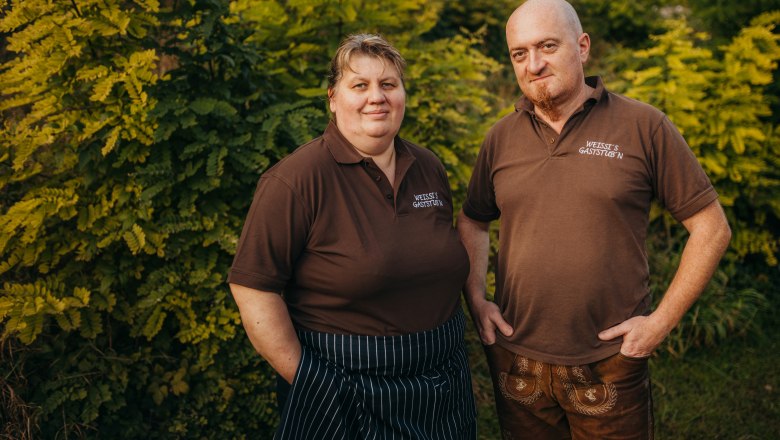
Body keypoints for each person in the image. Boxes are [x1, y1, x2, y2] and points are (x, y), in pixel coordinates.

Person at [457, 0, 732, 438]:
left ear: (582, 47)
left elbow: (712, 227)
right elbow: (473, 221)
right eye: (519, 53)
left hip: (610, 361)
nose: (534, 64)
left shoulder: (644, 126)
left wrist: (660, 322)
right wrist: (476, 300)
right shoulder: (500, 138)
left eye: (547, 46)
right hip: (516, 360)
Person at [227, 34, 476, 439]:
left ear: (402, 95)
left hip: (440, 385)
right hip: (344, 387)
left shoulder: (428, 166)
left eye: (388, 84)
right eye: (359, 85)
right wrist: (311, 382)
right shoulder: (295, 180)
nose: (376, 97)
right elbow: (253, 288)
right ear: (332, 98)